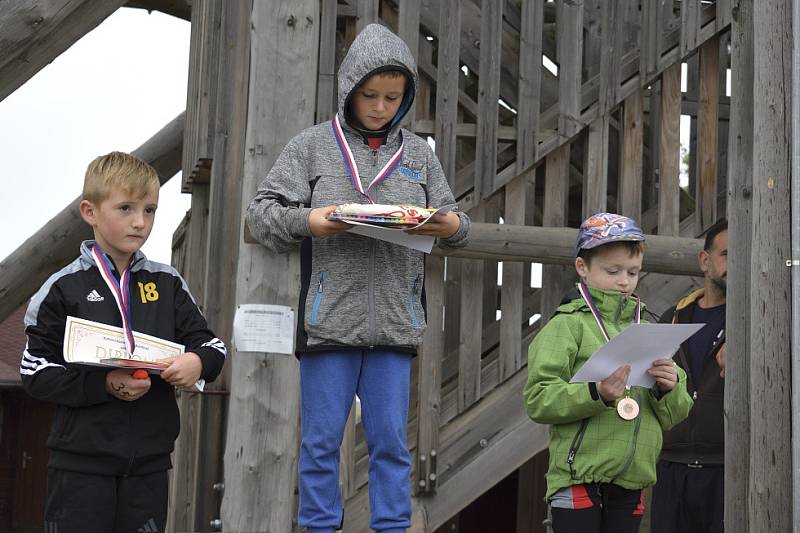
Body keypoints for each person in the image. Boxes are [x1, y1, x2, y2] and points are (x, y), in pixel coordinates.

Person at [246, 23, 469, 533]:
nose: (380, 107)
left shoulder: (419, 155)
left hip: (394, 323)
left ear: (406, 96)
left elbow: (458, 225)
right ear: (349, 90)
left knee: (391, 440)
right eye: (370, 95)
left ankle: (393, 527)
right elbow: (262, 214)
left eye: (393, 97)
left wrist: (446, 223)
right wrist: (312, 221)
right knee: (322, 441)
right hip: (329, 323)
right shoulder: (311, 147)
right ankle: (319, 527)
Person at [20, 151, 227, 532]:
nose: (140, 222)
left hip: (149, 465)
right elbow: (35, 370)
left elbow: (212, 346)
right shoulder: (62, 289)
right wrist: (104, 384)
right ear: (90, 211)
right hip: (80, 466)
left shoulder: (167, 283)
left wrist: (197, 363)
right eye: (126, 208)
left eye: (150, 210)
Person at [523, 212, 693, 533]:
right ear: (582, 268)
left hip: (633, 477)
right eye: (613, 270)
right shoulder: (567, 325)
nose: (624, 281)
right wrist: (595, 393)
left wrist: (668, 388)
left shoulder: (648, 327)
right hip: (578, 476)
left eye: (633, 272)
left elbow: (675, 414)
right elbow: (538, 399)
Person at [651, 220, 728, 533]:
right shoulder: (673, 318)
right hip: (671, 468)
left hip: (727, 468)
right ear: (704, 261)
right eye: (727, 254)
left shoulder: (759, 320)